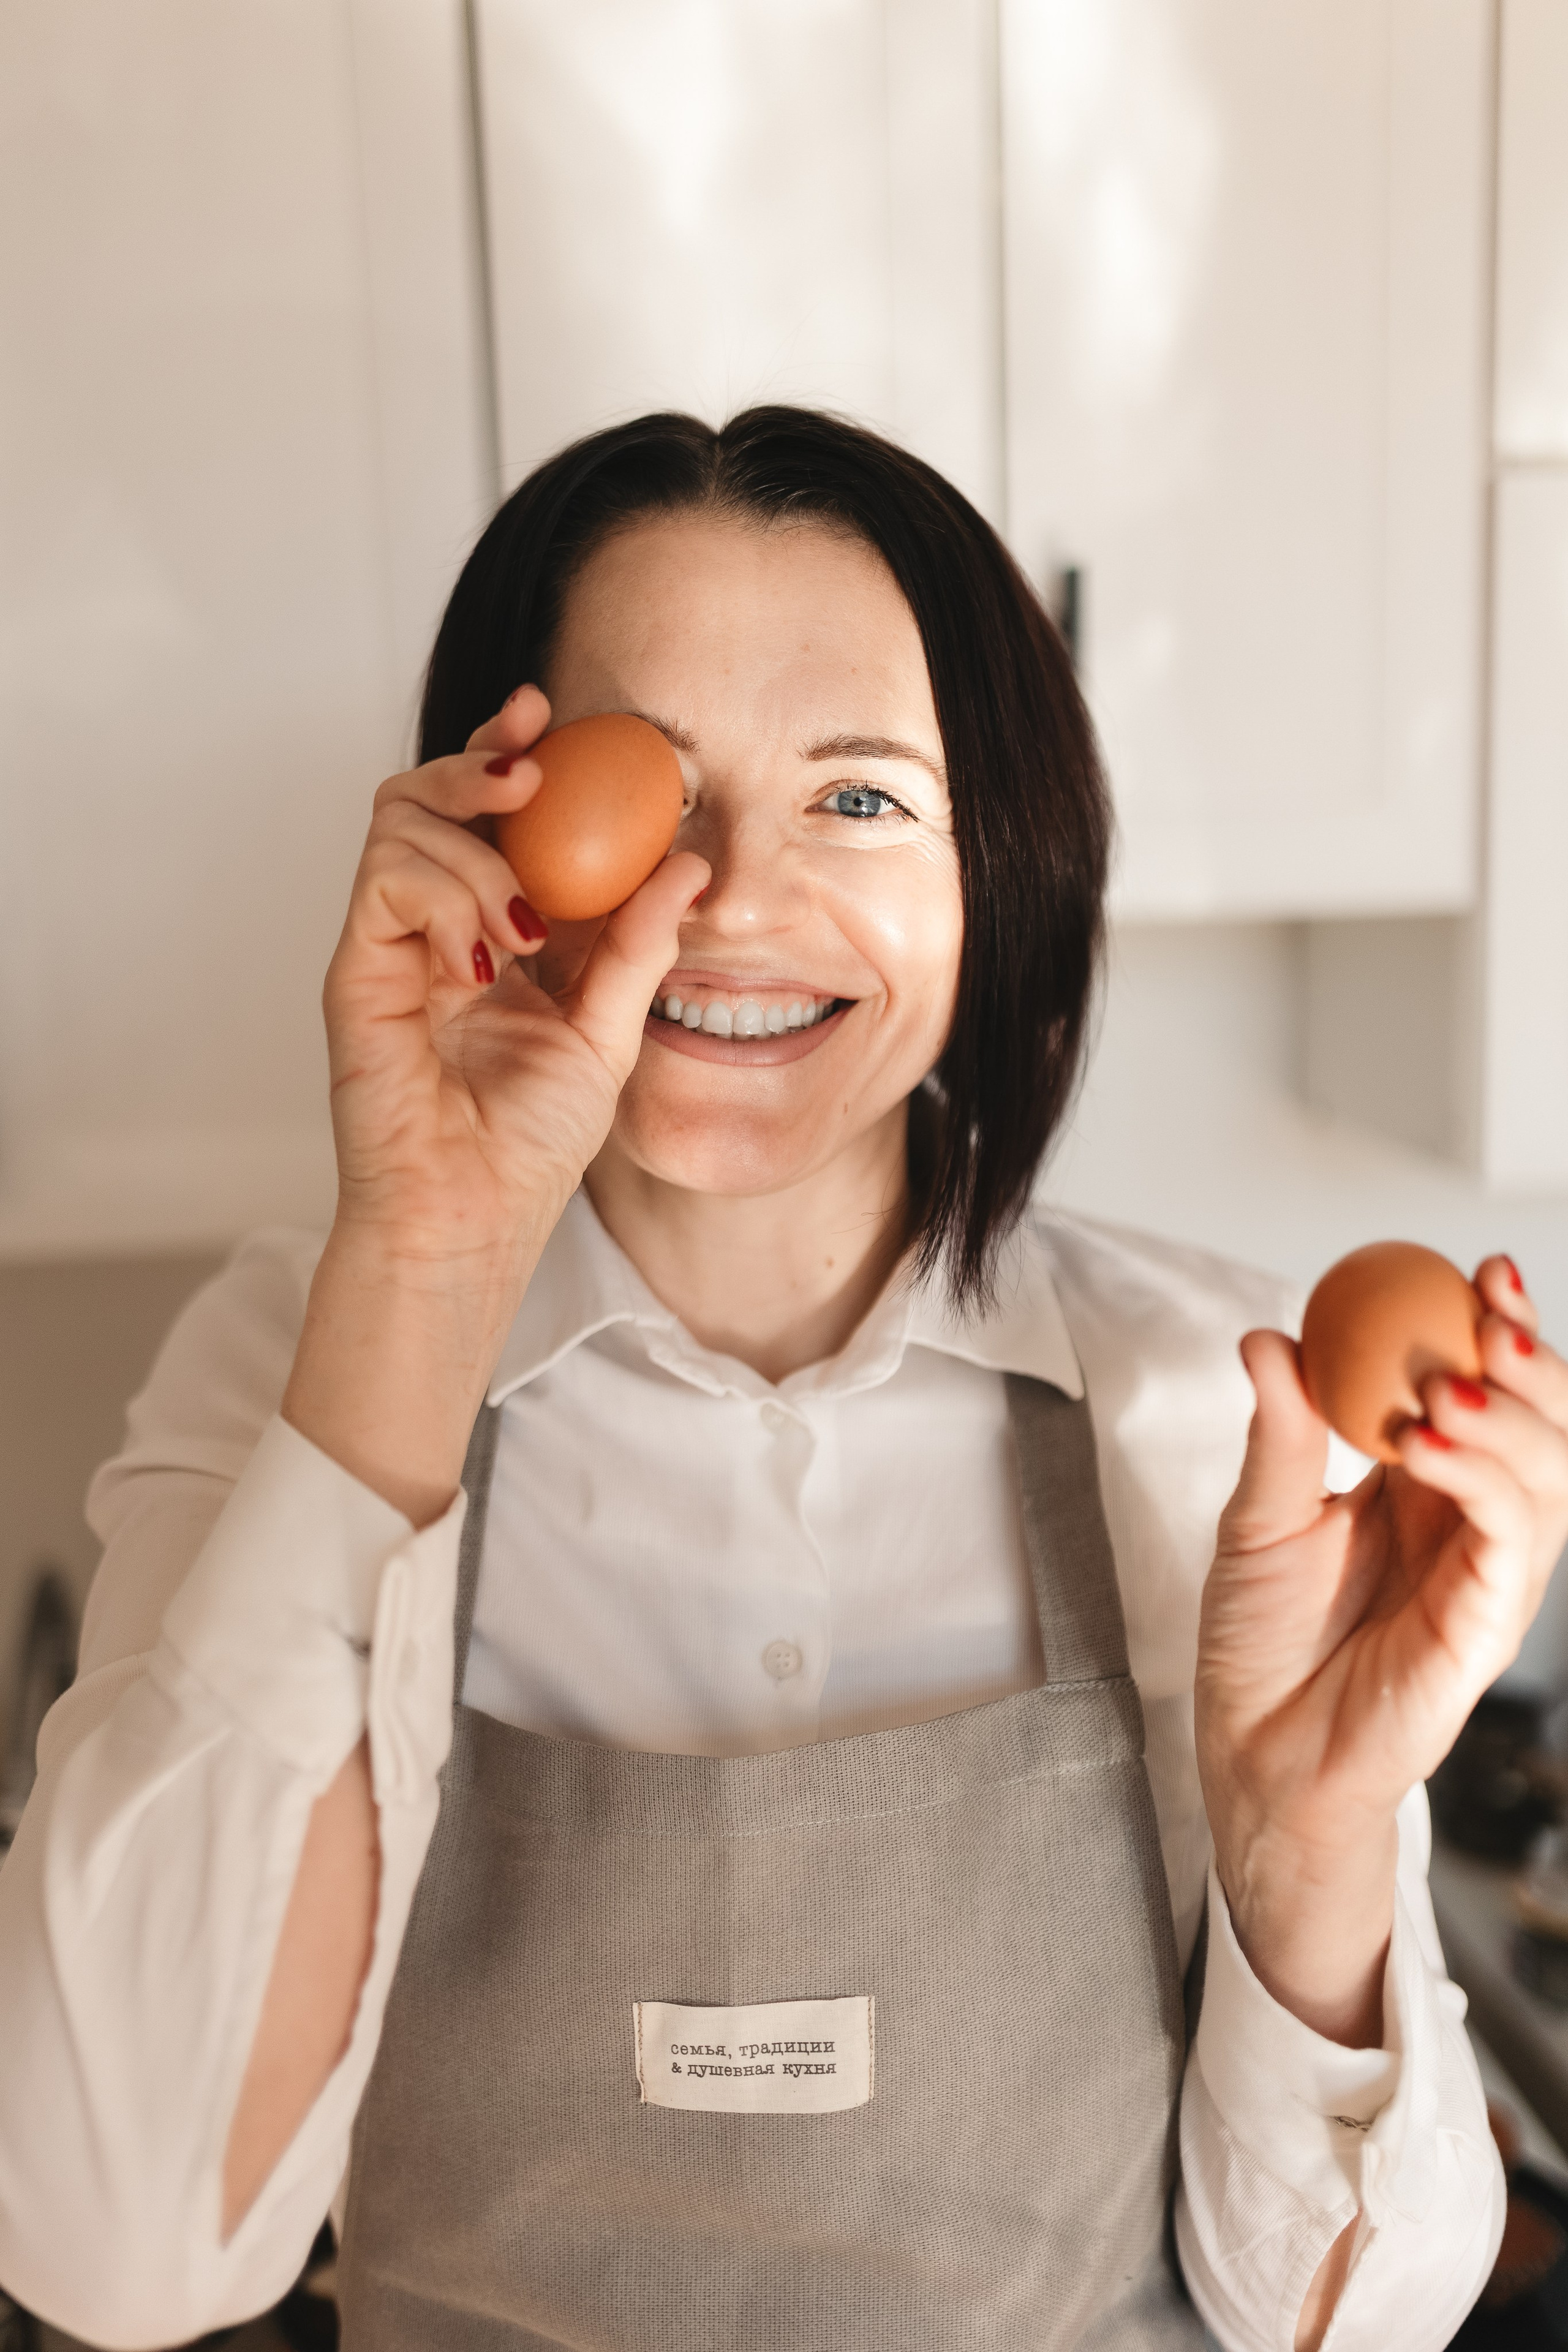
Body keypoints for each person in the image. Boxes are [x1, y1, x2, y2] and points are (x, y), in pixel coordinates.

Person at [0, 407, 1562, 2352]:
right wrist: (417, 1271)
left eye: (860, 800)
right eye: (641, 795)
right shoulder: (294, 1373)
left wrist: (1311, 1845)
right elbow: (116, 2250)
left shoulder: (1213, 1409)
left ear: (1000, 874)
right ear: (495, 828)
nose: (731, 901)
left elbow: (1352, 2323)